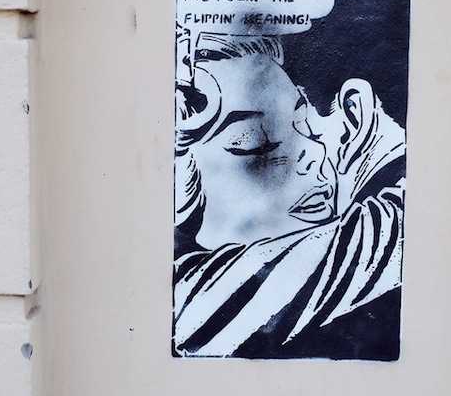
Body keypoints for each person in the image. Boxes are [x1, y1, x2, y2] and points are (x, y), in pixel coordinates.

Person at [173, 32, 405, 359]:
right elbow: (398, 227)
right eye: (256, 144)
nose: (314, 153)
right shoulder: (187, 306)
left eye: (302, 123)